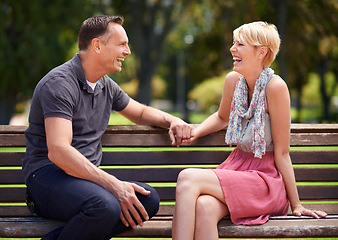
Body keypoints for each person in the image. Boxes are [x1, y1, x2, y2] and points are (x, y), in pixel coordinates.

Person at [22, 15, 193, 240]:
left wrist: (172, 120)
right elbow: (59, 151)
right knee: (105, 206)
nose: (128, 51)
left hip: (85, 181)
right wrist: (114, 185)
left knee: (147, 199)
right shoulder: (59, 84)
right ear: (97, 46)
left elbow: (139, 112)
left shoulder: (105, 85)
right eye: (122, 44)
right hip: (47, 178)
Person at [171, 21, 327, 240]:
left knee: (187, 177)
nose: (232, 49)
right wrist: (195, 132)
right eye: (234, 43)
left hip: (264, 180)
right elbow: (222, 117)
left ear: (261, 51)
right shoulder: (234, 81)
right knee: (204, 207)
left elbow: (282, 152)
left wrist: (297, 205)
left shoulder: (275, 87)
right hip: (237, 168)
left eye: (240, 44)